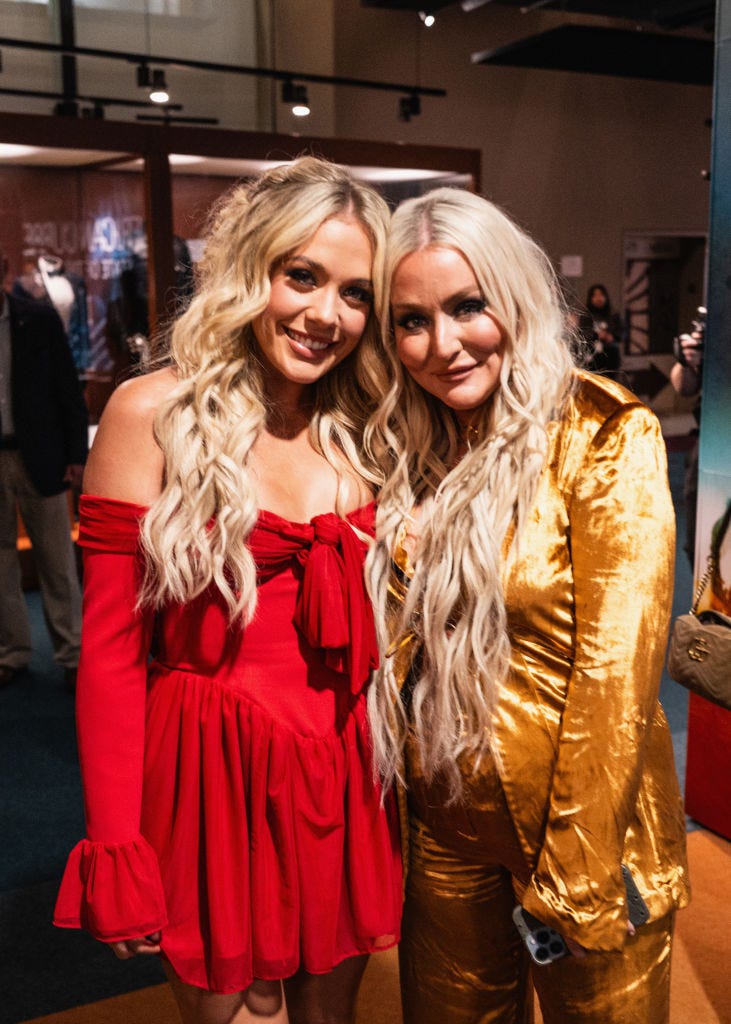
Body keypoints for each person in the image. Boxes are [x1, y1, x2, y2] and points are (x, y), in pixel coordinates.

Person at [53, 158, 402, 1024]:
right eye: (303, 277)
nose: (327, 315)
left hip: (344, 774)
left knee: (331, 1019)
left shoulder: (370, 427)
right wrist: (116, 841)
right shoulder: (151, 413)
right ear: (251, 270)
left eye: (355, 294)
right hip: (209, 779)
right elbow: (108, 654)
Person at [364, 188, 690, 1024]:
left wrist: (577, 874)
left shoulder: (601, 435)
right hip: (440, 824)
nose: (442, 345)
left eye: (467, 307)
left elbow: (615, 681)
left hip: (581, 826)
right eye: (411, 320)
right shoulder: (406, 447)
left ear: (511, 297)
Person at [0, 245, 87, 692]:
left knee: (56, 560)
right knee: (0, 564)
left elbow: (67, 390)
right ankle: (11, 652)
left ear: (4, 268)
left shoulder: (38, 318)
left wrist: (76, 455)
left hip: (42, 455)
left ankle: (73, 654)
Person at [670, 315, 704, 565]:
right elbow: (685, 387)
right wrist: (687, 361)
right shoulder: (719, 313)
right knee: (698, 544)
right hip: (712, 443)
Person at [577, 282, 623, 379]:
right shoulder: (586, 315)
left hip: (611, 355)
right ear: (591, 298)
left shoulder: (613, 315)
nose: (598, 298)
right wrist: (597, 335)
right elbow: (582, 334)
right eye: (595, 295)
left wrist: (612, 336)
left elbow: (622, 332)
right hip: (592, 357)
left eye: (601, 295)